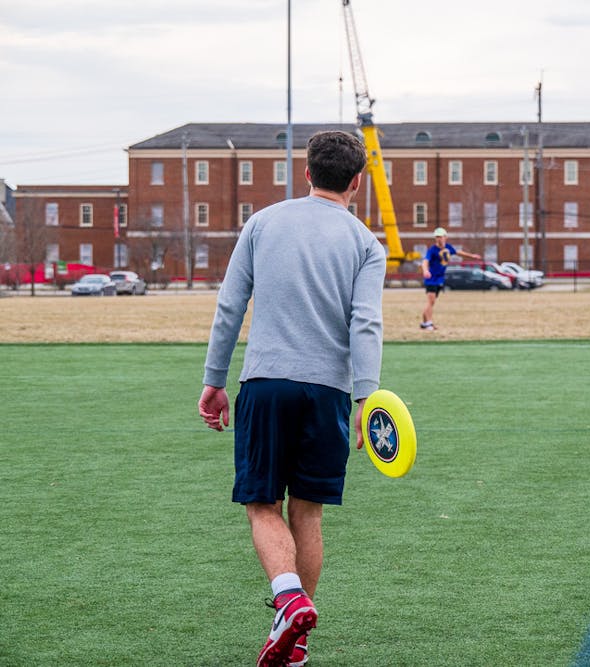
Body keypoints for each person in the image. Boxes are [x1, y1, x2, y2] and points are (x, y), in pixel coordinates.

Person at [197, 130, 386, 667]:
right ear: (356, 182)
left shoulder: (262, 223)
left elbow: (229, 307)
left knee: (262, 504)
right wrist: (365, 400)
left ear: (305, 173)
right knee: (308, 512)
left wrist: (214, 380)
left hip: (265, 384)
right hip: (329, 392)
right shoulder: (366, 244)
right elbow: (365, 325)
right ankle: (296, 641)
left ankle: (288, 598)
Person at [420, 226, 481, 330]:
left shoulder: (448, 248)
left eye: (441, 237)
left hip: (440, 279)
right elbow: (425, 261)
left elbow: (458, 252)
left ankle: (424, 323)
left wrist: (472, 256)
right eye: (437, 237)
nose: (439, 239)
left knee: (431, 302)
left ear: (445, 237)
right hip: (431, 279)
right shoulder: (432, 250)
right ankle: (428, 323)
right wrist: (425, 270)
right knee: (431, 302)